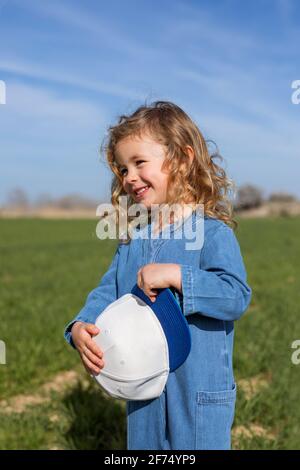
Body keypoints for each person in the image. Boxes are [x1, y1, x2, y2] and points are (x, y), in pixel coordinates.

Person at [64, 100, 252, 450]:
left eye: (139, 163)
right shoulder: (134, 238)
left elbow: (235, 295)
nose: (129, 177)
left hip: (197, 395)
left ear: (182, 158)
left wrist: (179, 275)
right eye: (122, 169)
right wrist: (80, 327)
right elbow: (108, 292)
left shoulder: (212, 233)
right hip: (144, 391)